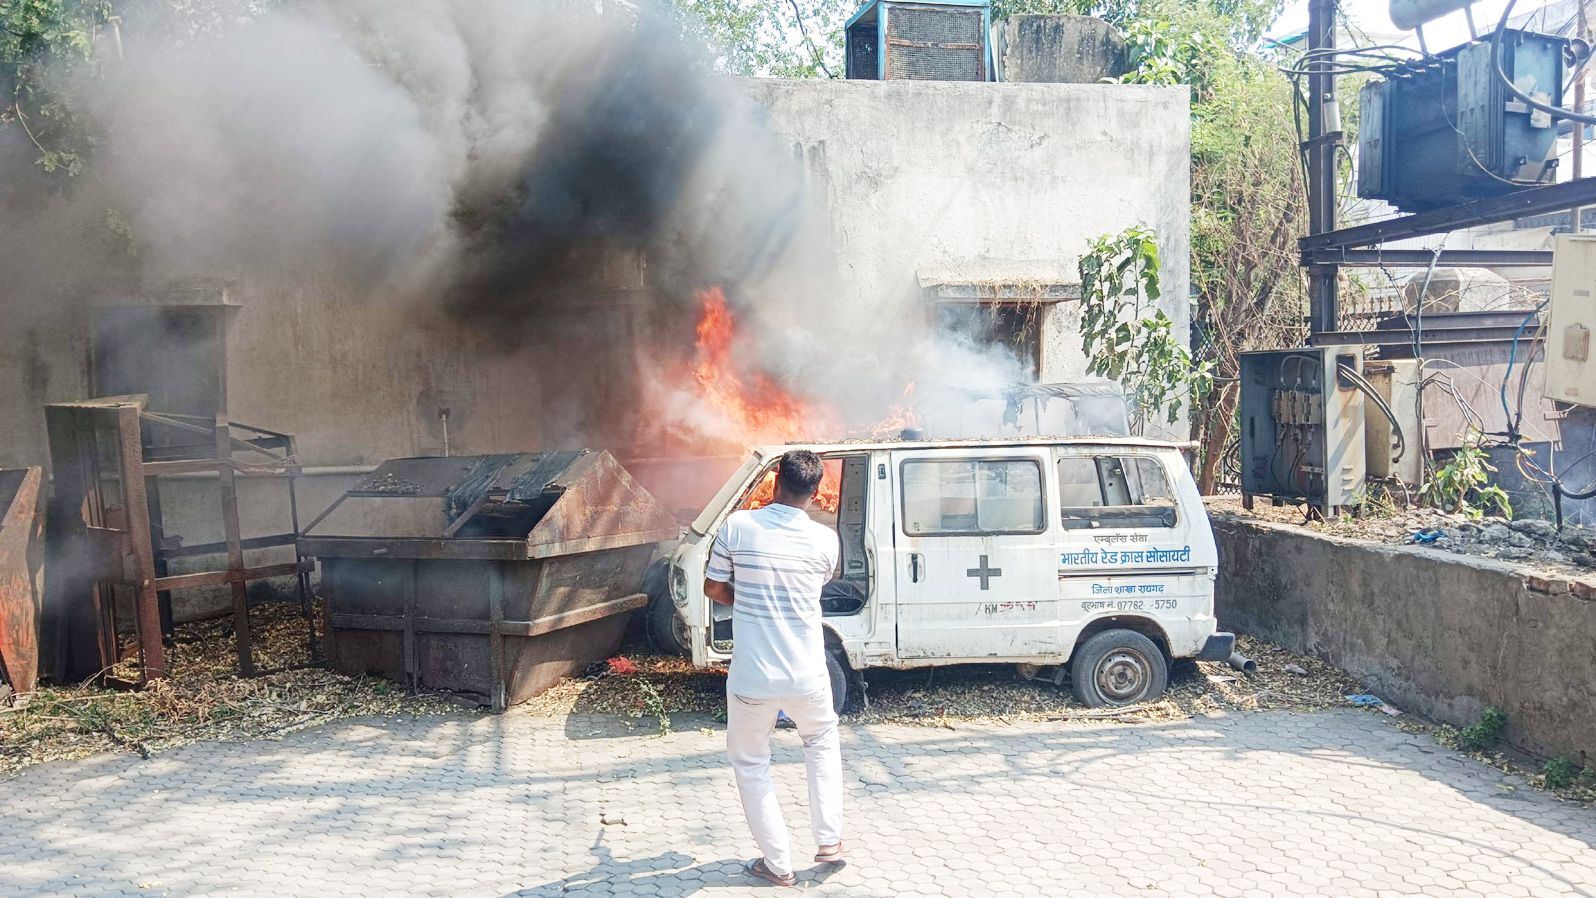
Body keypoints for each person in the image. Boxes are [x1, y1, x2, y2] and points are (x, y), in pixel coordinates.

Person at [704, 450, 846, 887]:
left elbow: (713, 587)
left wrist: (745, 596)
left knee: (751, 763)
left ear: (774, 482)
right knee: (821, 744)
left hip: (753, 679)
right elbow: (809, 586)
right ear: (817, 491)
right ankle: (829, 841)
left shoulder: (737, 527)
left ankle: (778, 865)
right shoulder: (827, 541)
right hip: (809, 675)